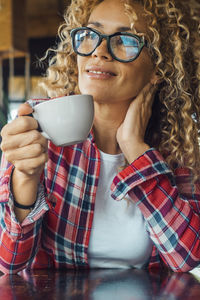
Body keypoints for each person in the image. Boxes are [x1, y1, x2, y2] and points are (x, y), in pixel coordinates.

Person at [0, 0, 200, 274]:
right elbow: (10, 263)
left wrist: (134, 147)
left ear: (158, 67)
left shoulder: (177, 146)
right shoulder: (39, 124)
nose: (100, 51)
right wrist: (25, 177)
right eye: (90, 36)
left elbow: (187, 257)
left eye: (125, 40)